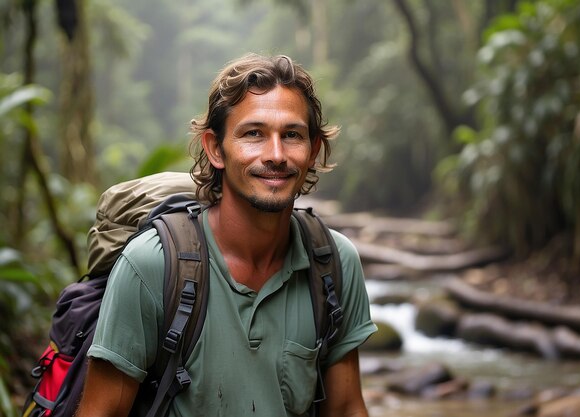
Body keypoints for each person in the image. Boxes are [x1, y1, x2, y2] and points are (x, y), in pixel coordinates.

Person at [76, 53, 377, 417]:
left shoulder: (333, 262)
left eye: (292, 135)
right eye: (254, 134)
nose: (277, 154)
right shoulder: (152, 265)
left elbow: (345, 407)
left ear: (313, 150)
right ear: (215, 148)